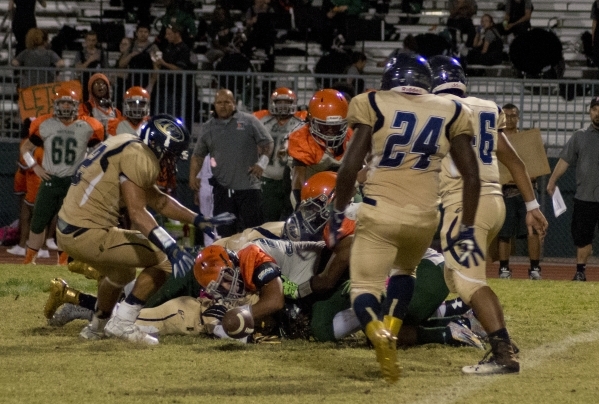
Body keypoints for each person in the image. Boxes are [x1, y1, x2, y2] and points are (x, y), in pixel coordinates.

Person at [329, 53, 482, 383]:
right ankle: (393, 331)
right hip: (425, 217)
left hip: (380, 211)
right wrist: (467, 227)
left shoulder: (373, 102)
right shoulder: (453, 109)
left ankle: (378, 333)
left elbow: (348, 169)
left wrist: (337, 211)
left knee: (364, 287)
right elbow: (472, 176)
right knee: (406, 270)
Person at [55, 114, 234, 344]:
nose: (171, 162)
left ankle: (96, 328)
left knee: (122, 273)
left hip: (70, 228)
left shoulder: (127, 144)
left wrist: (197, 219)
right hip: (88, 231)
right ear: (158, 147)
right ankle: (123, 322)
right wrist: (171, 246)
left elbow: (158, 201)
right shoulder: (140, 157)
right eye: (170, 155)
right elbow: (138, 213)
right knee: (165, 261)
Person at [429, 55, 548, 375]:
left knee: (468, 283)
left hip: (465, 204)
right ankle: (481, 323)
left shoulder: (437, 109)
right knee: (453, 276)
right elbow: (516, 162)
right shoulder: (484, 107)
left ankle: (502, 351)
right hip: (494, 202)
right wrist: (532, 206)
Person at [21, 87, 105, 265]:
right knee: (38, 221)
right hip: (51, 180)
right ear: (55, 105)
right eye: (62, 102)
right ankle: (29, 261)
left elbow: (100, 152)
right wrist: (35, 167)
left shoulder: (89, 126)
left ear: (76, 106)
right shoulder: (45, 124)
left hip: (73, 182)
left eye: (70, 103)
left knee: (67, 224)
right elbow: (25, 148)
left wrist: (89, 169)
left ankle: (63, 262)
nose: (66, 106)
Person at [189, 89, 274, 237]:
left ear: (234, 104)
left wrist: (262, 163)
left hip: (249, 189)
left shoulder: (249, 121)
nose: (223, 106)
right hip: (223, 190)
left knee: (255, 233)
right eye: (219, 103)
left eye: (227, 102)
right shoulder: (208, 127)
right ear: (214, 105)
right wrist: (193, 176)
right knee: (225, 234)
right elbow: (198, 155)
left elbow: (268, 142)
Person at [547, 97, 599, 282]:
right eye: (595, 108)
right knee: (583, 239)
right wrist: (552, 181)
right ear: (589, 111)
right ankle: (580, 272)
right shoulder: (580, 136)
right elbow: (565, 161)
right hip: (585, 197)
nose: (598, 112)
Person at [497, 103, 543, 280]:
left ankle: (535, 268)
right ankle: (503, 269)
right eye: (506, 115)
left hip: (526, 193)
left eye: (513, 115)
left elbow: (535, 172)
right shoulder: (497, 140)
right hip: (505, 192)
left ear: (518, 118)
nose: (509, 119)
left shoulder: (526, 141)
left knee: (533, 230)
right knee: (504, 233)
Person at [287, 89, 353, 208]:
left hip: (342, 189)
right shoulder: (302, 138)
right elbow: (298, 177)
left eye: (336, 126)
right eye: (325, 126)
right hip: (312, 189)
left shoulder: (350, 136)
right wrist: (300, 204)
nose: (331, 131)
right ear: (311, 121)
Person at [253, 88, 306, 222]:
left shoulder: (302, 119)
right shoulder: (261, 118)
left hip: (291, 178)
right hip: (268, 177)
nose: (282, 106)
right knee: (268, 218)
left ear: (294, 103)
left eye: (286, 102)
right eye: (279, 102)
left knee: (291, 218)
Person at [7, 118, 50, 259]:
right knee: (34, 217)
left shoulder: (37, 147)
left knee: (31, 217)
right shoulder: (45, 145)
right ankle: (30, 246)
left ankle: (36, 247)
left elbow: (26, 165)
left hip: (36, 185)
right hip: (37, 184)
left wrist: (23, 165)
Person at [149, 24, 195, 129]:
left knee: (172, 116)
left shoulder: (184, 49)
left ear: (177, 34)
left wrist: (163, 63)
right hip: (163, 87)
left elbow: (180, 69)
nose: (166, 36)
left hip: (175, 89)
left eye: (169, 34)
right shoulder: (168, 47)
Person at [74, 31, 106, 102]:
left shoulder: (101, 53)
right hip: (84, 84)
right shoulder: (80, 53)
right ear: (85, 40)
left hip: (97, 85)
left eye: (93, 40)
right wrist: (90, 60)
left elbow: (106, 68)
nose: (91, 43)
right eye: (89, 40)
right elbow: (78, 69)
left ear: (96, 41)